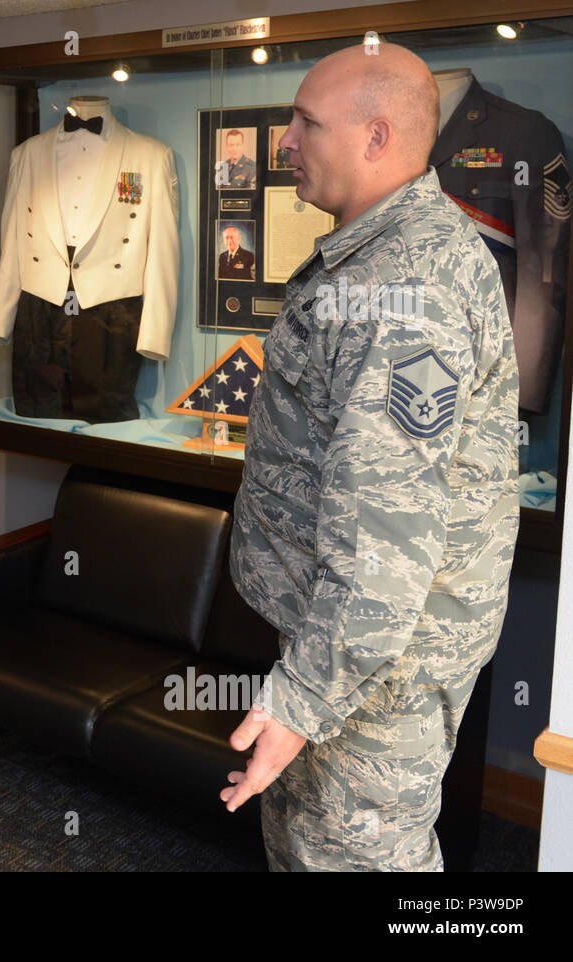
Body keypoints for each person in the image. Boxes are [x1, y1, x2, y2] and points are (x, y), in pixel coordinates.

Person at [223, 43, 519, 871]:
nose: (285, 141)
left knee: (353, 859)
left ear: (377, 137)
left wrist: (306, 696)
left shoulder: (405, 291)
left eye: (306, 123)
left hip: (374, 668)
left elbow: (388, 530)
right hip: (344, 643)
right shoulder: (377, 257)